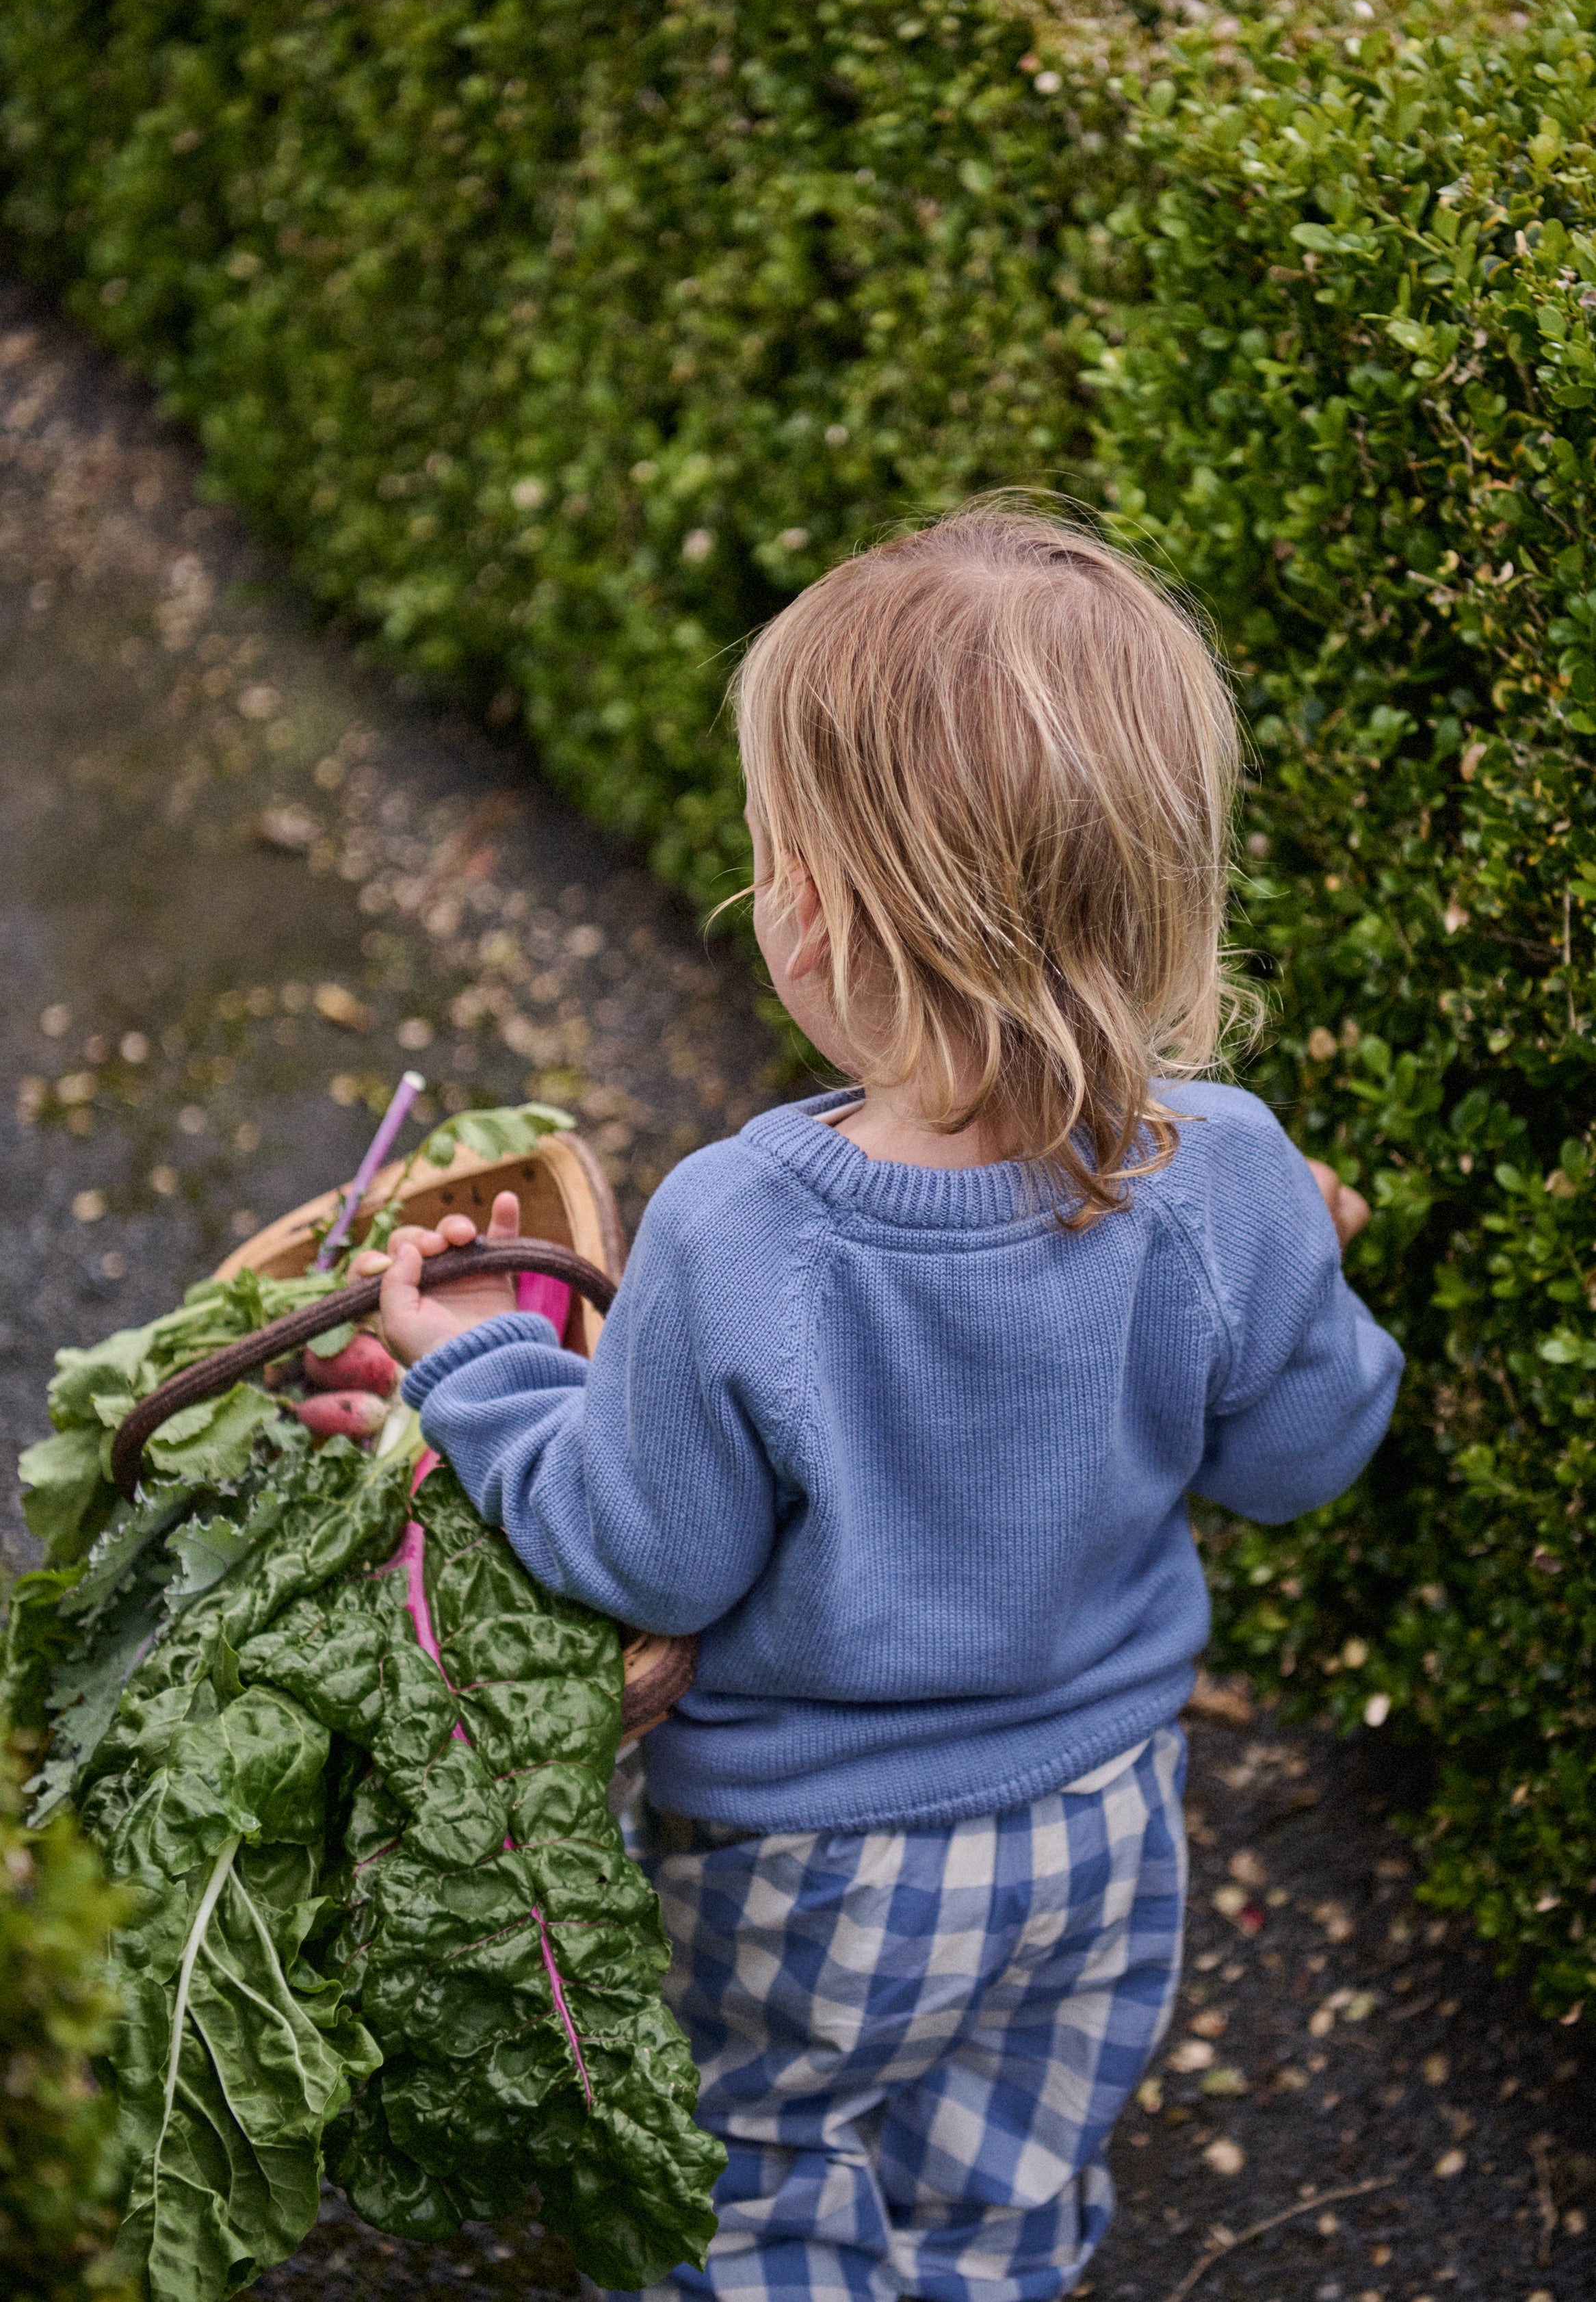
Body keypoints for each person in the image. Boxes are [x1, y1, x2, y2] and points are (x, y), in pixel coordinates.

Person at [361, 504, 1402, 2302]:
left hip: (802, 1863)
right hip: (1100, 1823)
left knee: (750, 2187)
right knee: (1001, 2193)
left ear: (823, 916)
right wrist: (1310, 1271)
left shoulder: (746, 1223)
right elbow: (1305, 1455)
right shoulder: (1227, 1173)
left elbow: (646, 1554)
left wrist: (475, 1365)